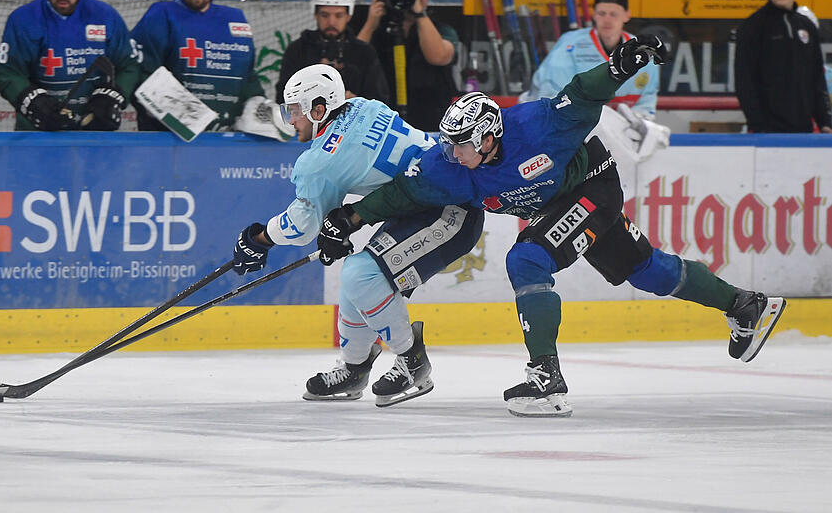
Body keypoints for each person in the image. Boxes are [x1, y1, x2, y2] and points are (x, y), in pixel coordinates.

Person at [316, 35, 788, 418]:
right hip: (559, 203)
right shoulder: (451, 165)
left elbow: (582, 93)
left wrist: (620, 66)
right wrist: (350, 218)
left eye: (460, 144)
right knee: (647, 271)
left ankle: (546, 378)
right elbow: (403, 194)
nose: (450, 152)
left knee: (526, 257)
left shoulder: (538, 126)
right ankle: (746, 305)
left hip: (592, 184)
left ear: (487, 136)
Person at [230, 63, 483, 407]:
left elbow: (304, 224)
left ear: (319, 110)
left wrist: (259, 240)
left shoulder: (318, 162)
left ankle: (412, 362)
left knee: (361, 274)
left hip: (449, 211)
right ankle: (354, 368)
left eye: (295, 112)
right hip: (430, 200)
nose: (291, 121)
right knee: (358, 276)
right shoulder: (366, 105)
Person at [0, 0, 140, 131]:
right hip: (39, 130)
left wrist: (111, 96)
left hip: (92, 126)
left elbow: (129, 66)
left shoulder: (106, 16)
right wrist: (34, 102)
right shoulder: (23, 19)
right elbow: (8, 73)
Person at [130, 0, 263, 132]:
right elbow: (142, 70)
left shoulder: (234, 19)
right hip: (167, 136)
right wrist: (193, 119)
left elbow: (246, 74)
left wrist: (259, 104)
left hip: (223, 135)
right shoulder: (161, 14)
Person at [529, 0, 660, 120]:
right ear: (594, 14)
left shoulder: (642, 52)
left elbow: (645, 106)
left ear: (627, 15)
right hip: (563, 124)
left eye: (614, 14)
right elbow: (551, 98)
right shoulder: (569, 46)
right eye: (602, 13)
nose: (607, 20)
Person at [734, 0, 832, 133]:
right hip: (766, 132)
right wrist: (758, 125)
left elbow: (817, 78)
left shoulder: (807, 26)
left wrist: (825, 121)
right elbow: (744, 82)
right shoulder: (752, 27)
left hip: (804, 130)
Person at [357, 0, 458, 132]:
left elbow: (438, 56)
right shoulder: (379, 29)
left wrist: (419, 14)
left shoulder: (441, 30)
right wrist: (370, 25)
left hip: (430, 123)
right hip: (382, 124)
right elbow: (354, 61)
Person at [275, 0, 389, 105]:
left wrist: (357, 103)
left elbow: (380, 102)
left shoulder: (365, 53)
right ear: (315, 15)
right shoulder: (297, 50)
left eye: (338, 15)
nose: (331, 22)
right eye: (325, 15)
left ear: (349, 16)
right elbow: (282, 98)